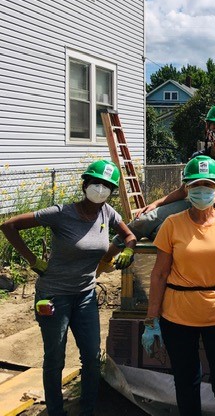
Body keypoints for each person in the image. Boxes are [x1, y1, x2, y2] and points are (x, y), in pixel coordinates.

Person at [0, 160, 136, 416]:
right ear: (85, 184)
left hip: (85, 295)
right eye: (96, 183)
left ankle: (87, 410)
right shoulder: (61, 213)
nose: (101, 189)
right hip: (54, 295)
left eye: (107, 186)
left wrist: (128, 248)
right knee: (55, 359)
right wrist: (32, 260)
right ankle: (55, 411)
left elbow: (129, 235)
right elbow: (8, 225)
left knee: (92, 358)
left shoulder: (108, 213)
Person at [142, 155, 215, 415]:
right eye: (195, 185)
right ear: (186, 190)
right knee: (187, 382)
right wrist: (151, 319)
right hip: (178, 317)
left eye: (208, 186)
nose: (202, 191)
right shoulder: (172, 224)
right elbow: (159, 274)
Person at [105, 103, 215, 259]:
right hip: (191, 205)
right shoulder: (198, 157)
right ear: (207, 127)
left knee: (165, 231)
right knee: (145, 220)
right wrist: (156, 204)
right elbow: (183, 191)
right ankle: (105, 259)